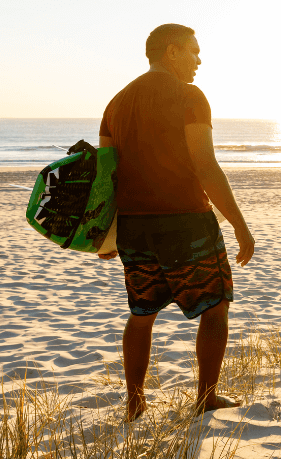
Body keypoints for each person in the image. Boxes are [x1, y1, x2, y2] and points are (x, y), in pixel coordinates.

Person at [98, 23, 255, 420]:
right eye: (193, 51)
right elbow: (205, 165)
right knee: (216, 306)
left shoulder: (116, 103)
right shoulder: (189, 96)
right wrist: (238, 223)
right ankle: (206, 397)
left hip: (135, 227)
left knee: (141, 314)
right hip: (186, 221)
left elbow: (107, 177)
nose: (199, 60)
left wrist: (106, 232)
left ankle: (135, 403)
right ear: (171, 52)